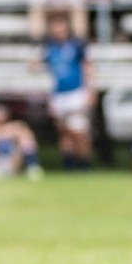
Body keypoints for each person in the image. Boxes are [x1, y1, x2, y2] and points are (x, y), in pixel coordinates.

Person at [40, 13, 92, 169]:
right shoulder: (49, 48)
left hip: (76, 92)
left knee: (79, 131)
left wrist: (90, 89)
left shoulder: (76, 46)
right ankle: (69, 165)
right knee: (64, 132)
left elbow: (87, 66)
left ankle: (83, 164)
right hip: (58, 94)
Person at [0, 103, 39, 179]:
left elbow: (28, 137)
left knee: (25, 136)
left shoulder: (15, 127)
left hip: (14, 161)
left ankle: (32, 166)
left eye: (1, 114)